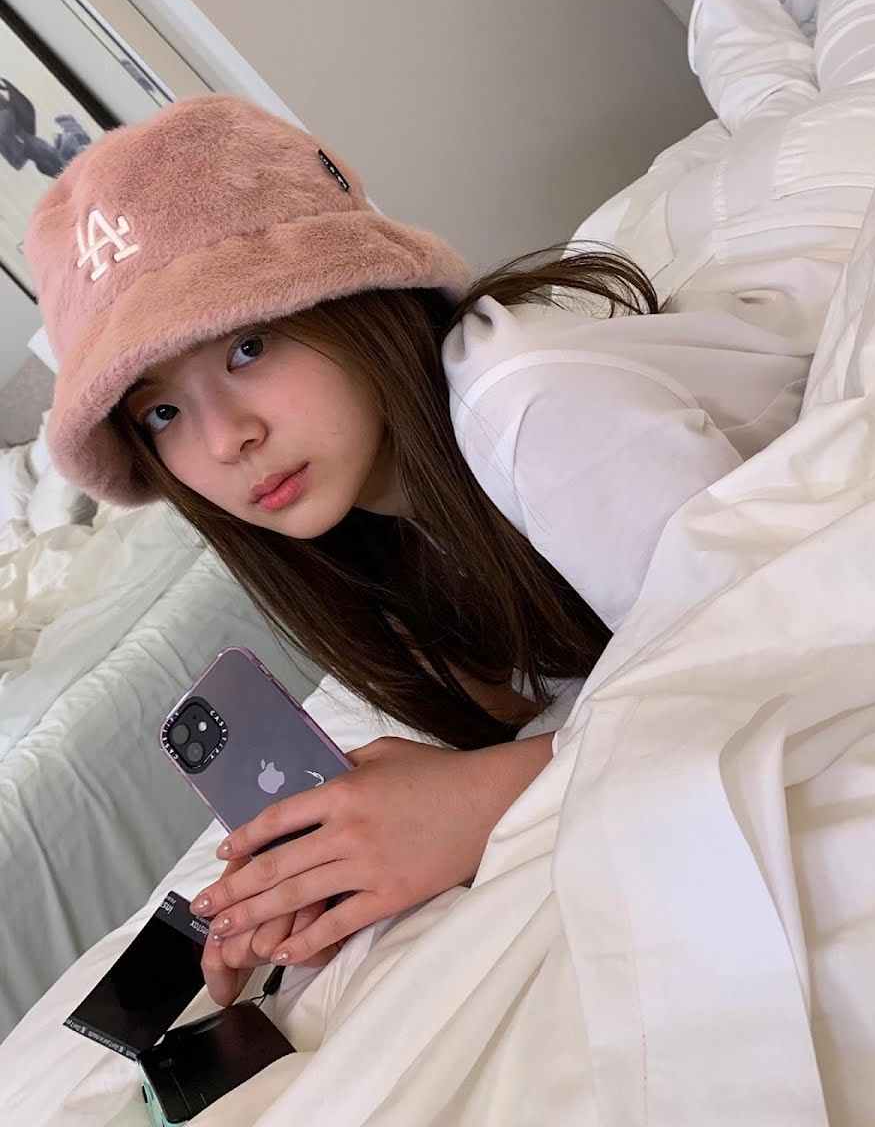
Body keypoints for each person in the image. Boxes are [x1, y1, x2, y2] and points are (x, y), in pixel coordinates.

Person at [25, 95, 806, 1005]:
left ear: (349, 293)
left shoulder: (527, 403)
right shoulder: (376, 529)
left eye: (247, 346)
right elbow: (554, 695)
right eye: (162, 411)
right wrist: (342, 850)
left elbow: (782, 657)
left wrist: (471, 800)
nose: (226, 439)